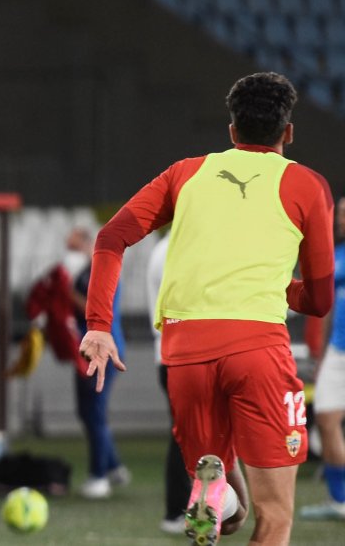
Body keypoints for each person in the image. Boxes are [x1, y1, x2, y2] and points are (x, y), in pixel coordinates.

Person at [79, 72, 335, 545]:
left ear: (232, 131)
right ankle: (217, 492)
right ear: (288, 131)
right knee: (275, 517)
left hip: (185, 356)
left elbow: (110, 238)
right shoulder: (307, 185)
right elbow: (319, 301)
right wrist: (282, 288)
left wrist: (98, 325)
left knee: (230, 515)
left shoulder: (185, 174)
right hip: (258, 350)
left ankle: (218, 494)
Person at [66, 227, 130, 500]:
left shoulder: (102, 269)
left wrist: (66, 294)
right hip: (88, 348)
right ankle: (113, 466)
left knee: (95, 412)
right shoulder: (85, 271)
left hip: (102, 349)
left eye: (73, 245)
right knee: (87, 411)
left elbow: (96, 308)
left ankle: (99, 475)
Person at [300, 195, 345, 521]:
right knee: (326, 421)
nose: (341, 219)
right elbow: (327, 306)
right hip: (337, 351)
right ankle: (339, 500)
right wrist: (322, 349)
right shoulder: (336, 256)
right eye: (340, 213)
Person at [145, 231, 193, 533]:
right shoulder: (171, 250)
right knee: (185, 434)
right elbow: (179, 308)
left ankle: (184, 509)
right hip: (177, 356)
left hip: (175, 354)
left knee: (189, 433)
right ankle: (177, 510)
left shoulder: (172, 247)